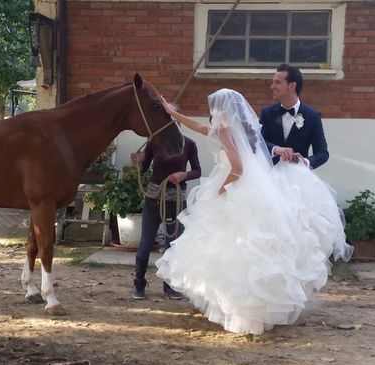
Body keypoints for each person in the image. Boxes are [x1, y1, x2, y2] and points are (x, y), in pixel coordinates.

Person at [156, 89, 352, 335]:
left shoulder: (227, 130)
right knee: (249, 252)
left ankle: (241, 311)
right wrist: (174, 114)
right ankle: (254, 312)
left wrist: (222, 190)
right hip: (253, 189)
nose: (211, 113)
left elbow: (237, 167)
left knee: (236, 251)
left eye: (214, 108)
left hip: (236, 189)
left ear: (222, 110)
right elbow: (200, 127)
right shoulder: (242, 128)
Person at [131, 135, 201, 300]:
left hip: (176, 201)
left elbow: (197, 170)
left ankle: (169, 285)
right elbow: (144, 168)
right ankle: (138, 282)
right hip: (154, 199)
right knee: (146, 242)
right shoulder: (154, 142)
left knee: (172, 244)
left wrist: (183, 175)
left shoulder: (189, 144)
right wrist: (137, 163)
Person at [260, 64, 329, 170]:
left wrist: (305, 162)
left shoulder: (312, 116)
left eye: (277, 82)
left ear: (292, 86)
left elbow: (322, 153)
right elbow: (259, 142)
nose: (272, 86)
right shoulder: (267, 113)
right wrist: (276, 149)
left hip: (298, 177)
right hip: (270, 177)